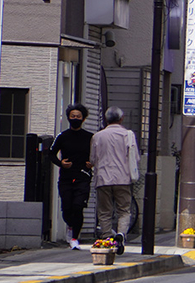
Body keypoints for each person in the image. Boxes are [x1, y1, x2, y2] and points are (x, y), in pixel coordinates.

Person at [89, 107, 139, 255]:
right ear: (121, 118)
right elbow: (135, 158)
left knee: (104, 211)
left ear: (106, 119)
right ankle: (121, 234)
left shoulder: (97, 136)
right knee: (124, 210)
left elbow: (92, 159)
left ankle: (107, 238)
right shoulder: (128, 135)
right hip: (123, 178)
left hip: (103, 178)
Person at [50, 103, 93, 249]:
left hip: (83, 176)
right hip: (66, 177)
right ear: (68, 117)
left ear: (83, 119)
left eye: (78, 116)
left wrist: (92, 163)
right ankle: (70, 225)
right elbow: (50, 153)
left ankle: (75, 238)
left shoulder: (90, 137)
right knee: (67, 208)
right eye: (73, 116)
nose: (75, 118)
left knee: (78, 206)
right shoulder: (62, 136)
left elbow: (99, 154)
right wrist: (60, 163)